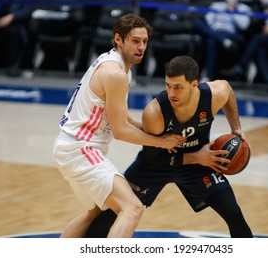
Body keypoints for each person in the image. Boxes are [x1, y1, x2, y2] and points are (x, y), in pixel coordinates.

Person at [85, 55, 253, 238]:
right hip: (156, 165)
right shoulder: (154, 113)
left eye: (178, 87)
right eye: (168, 85)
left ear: (194, 85)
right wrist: (196, 156)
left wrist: (236, 128)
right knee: (110, 215)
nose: (172, 93)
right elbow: (153, 156)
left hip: (199, 164)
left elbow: (227, 89)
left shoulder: (214, 94)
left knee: (234, 213)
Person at [53, 14, 186, 238]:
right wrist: (160, 142)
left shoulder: (116, 65)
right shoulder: (115, 74)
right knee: (132, 208)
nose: (141, 46)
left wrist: (150, 131)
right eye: (135, 40)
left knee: (93, 213)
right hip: (81, 149)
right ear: (118, 39)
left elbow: (122, 118)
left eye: (144, 41)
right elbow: (121, 131)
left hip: (70, 147)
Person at [194, 0, 252, 81]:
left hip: (232, 35)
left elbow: (244, 26)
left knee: (211, 39)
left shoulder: (244, 8)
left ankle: (208, 76)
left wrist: (232, 10)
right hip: (216, 31)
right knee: (199, 25)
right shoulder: (216, 5)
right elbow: (209, 22)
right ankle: (223, 41)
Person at [0, 0, 34, 76]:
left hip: (14, 23)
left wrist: (13, 16)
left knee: (13, 32)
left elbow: (27, 11)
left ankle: (11, 66)